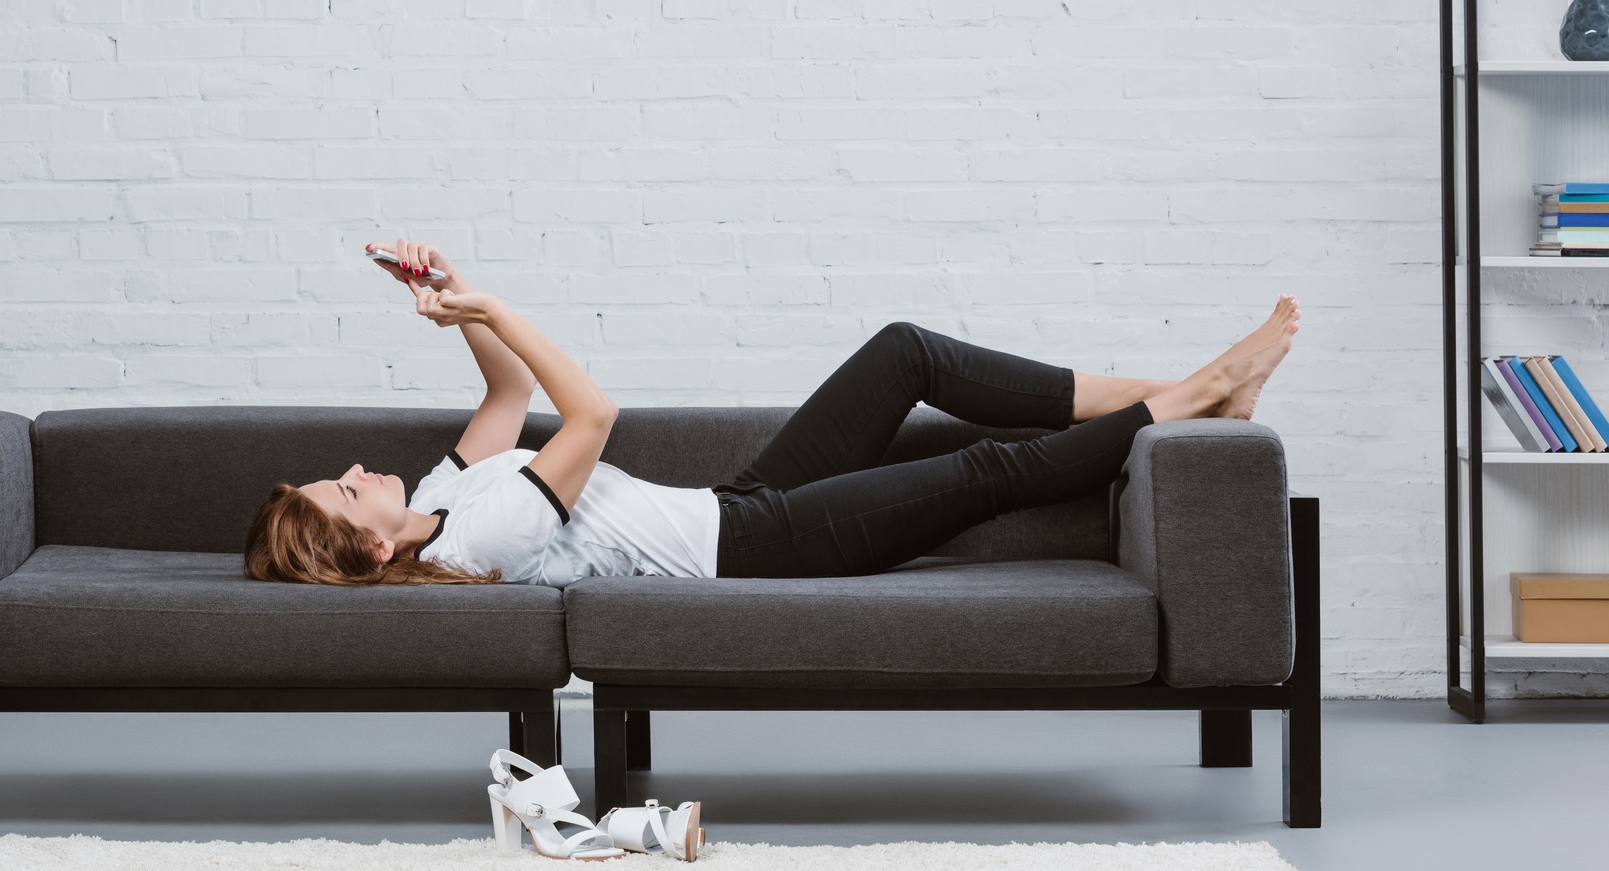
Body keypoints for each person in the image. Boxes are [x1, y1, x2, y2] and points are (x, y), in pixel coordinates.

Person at [243, 239, 1300, 588]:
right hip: (761, 548)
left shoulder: (436, 499)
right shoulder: (480, 540)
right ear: (371, 549)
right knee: (985, 471)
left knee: (905, 354)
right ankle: (1202, 395)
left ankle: (1195, 384)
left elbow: (509, 395)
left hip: (738, 503)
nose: (353, 466)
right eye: (344, 491)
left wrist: (450, 293)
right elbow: (589, 414)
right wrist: (504, 309)